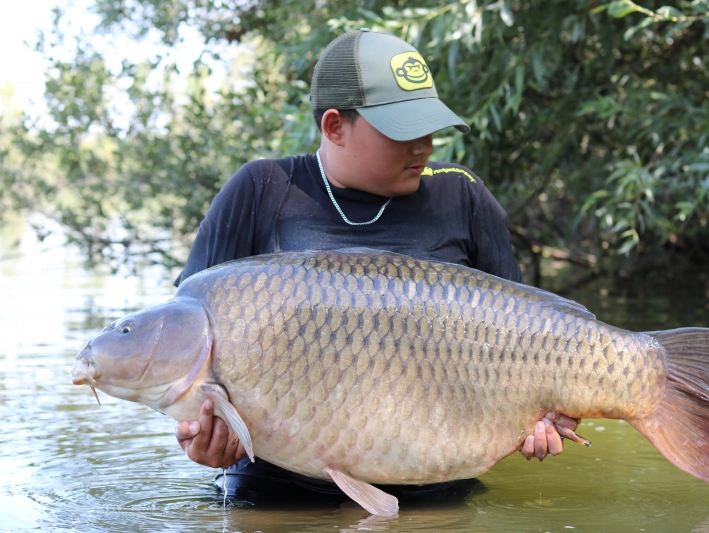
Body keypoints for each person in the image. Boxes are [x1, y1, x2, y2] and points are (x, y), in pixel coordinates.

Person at [172, 29, 581, 500]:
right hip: (276, 500)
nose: (425, 144)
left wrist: (546, 413)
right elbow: (185, 352)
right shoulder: (261, 190)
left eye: (429, 125)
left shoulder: (461, 196)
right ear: (334, 127)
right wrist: (199, 437)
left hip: (434, 500)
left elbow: (531, 342)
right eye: (404, 129)